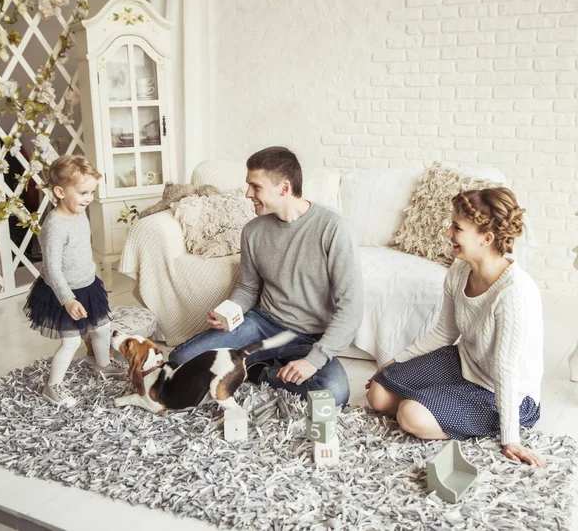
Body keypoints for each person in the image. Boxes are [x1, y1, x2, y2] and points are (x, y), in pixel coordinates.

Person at [169, 146, 363, 407]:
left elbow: (351, 307)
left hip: (310, 337)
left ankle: (259, 371)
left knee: (333, 393)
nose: (248, 194)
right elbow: (248, 288)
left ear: (283, 188)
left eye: (255, 186)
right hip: (262, 324)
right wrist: (231, 311)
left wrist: (313, 361)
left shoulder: (334, 228)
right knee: (181, 360)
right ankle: (258, 365)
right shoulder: (253, 231)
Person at [366, 187, 546, 467]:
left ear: (486, 238)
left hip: (505, 391)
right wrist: (394, 361)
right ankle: (442, 403)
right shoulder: (460, 269)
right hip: (465, 362)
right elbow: (444, 333)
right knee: (378, 393)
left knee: (409, 414)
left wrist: (511, 438)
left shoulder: (514, 293)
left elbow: (505, 370)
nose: (448, 233)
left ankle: (450, 410)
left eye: (457, 228)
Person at [24, 155, 124, 408]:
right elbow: (52, 268)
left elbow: (80, 251)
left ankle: (102, 365)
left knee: (101, 328)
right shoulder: (55, 226)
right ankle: (52, 385)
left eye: (91, 192)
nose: (89, 198)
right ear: (59, 191)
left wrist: (91, 276)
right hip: (63, 291)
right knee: (71, 341)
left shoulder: (80, 213)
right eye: (83, 193)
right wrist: (68, 299)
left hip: (87, 284)